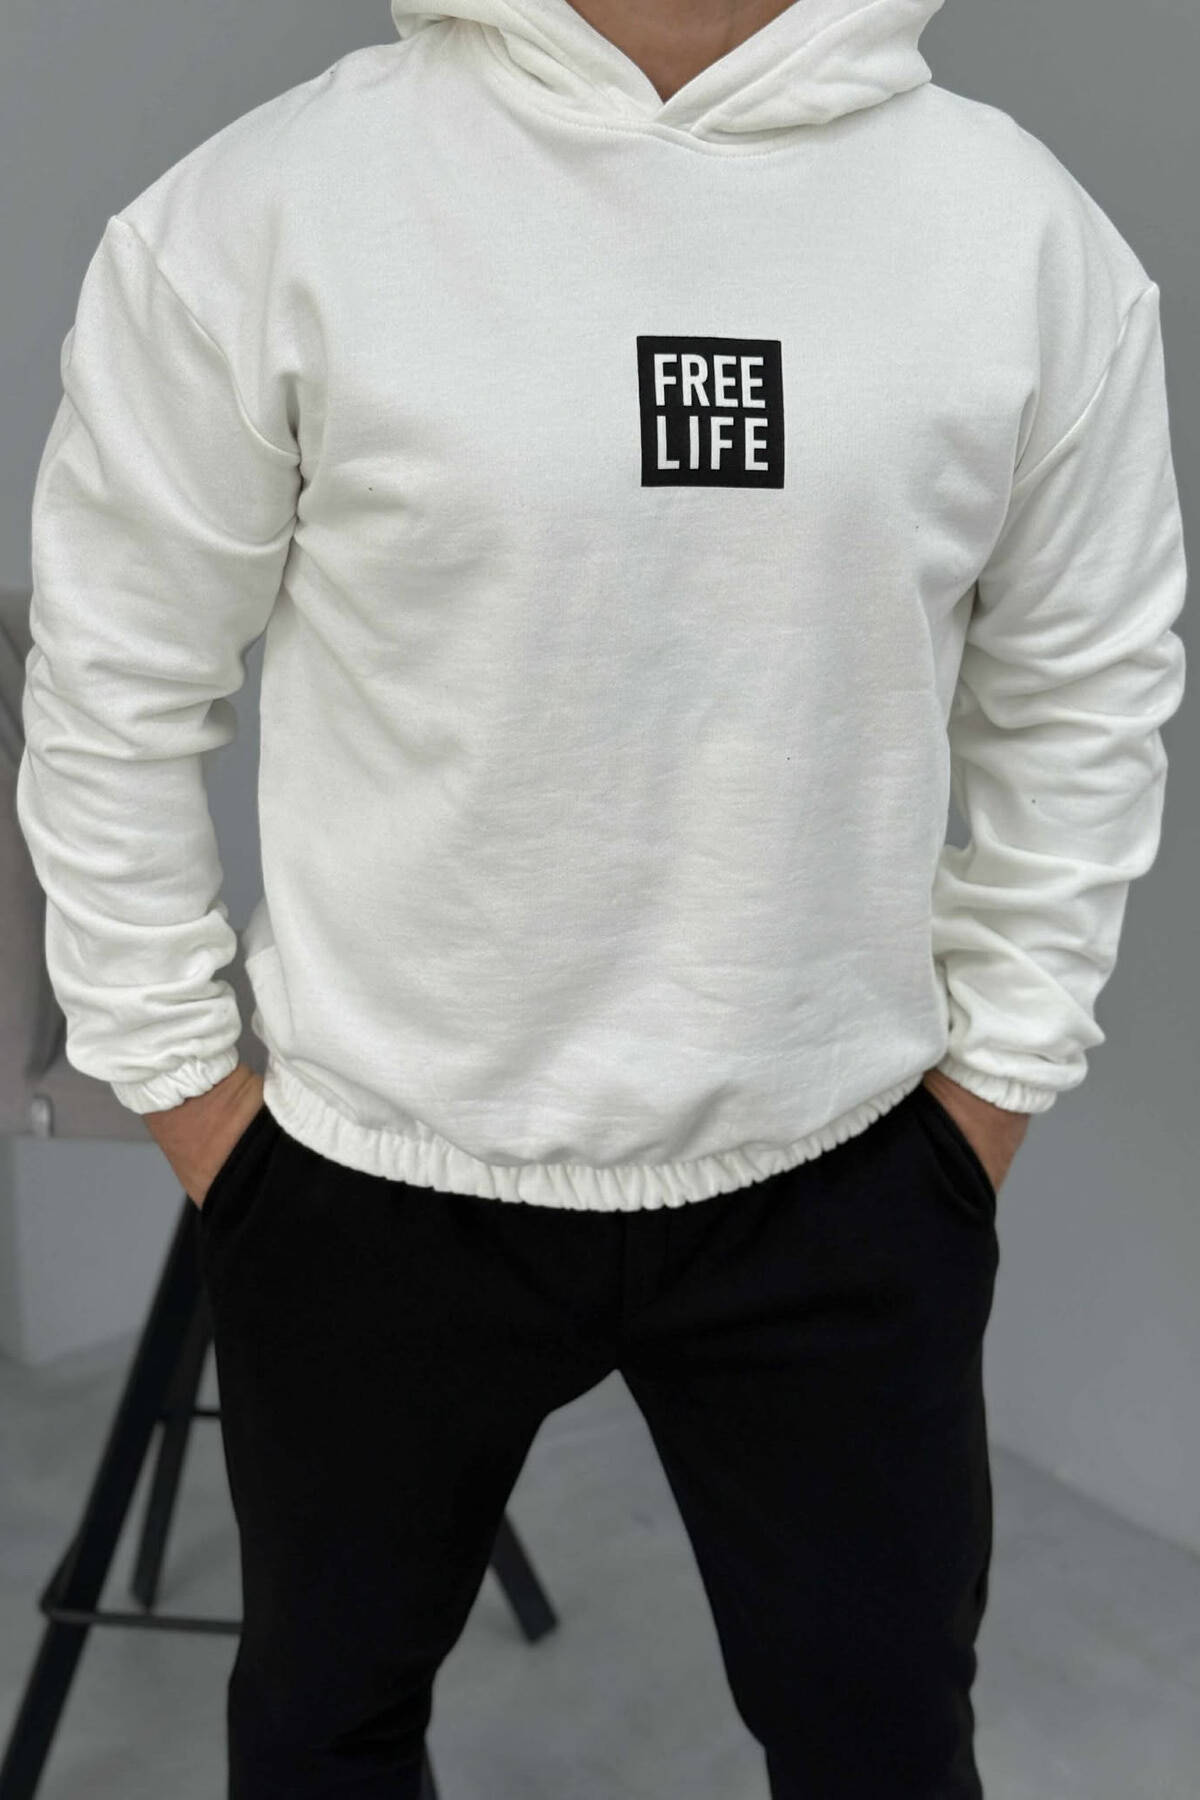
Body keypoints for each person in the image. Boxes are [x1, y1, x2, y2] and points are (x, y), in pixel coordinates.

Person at [17, 0, 1187, 1795]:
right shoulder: (273, 210)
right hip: (373, 1176)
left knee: (883, 1750)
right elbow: (111, 683)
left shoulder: (1018, 235)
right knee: (323, 1740)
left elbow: (1086, 690)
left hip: (843, 1175)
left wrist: (992, 1097)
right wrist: (193, 1100)